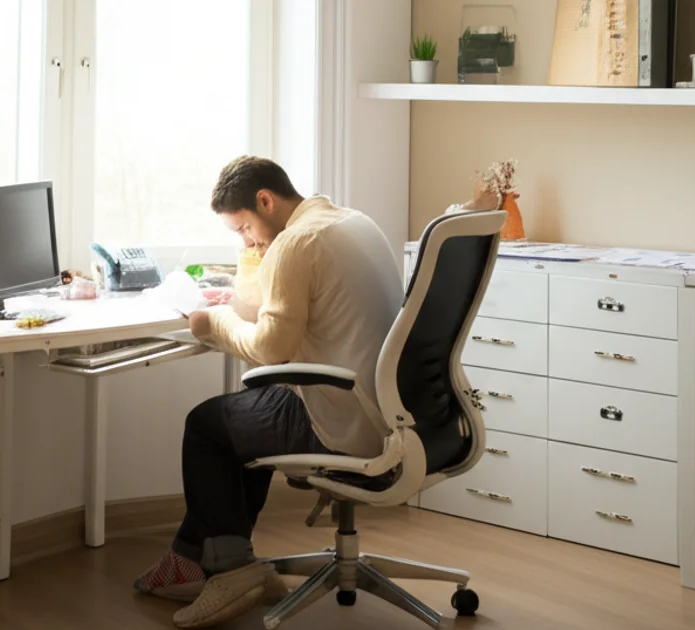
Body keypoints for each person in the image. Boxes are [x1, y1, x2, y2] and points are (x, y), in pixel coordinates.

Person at [133, 156, 500, 628]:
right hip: (405, 414)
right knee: (241, 420)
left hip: (347, 418)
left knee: (208, 425)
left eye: (244, 227)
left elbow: (268, 350)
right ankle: (217, 562)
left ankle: (228, 570)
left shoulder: (295, 242)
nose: (248, 241)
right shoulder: (352, 222)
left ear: (266, 201)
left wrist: (213, 322)